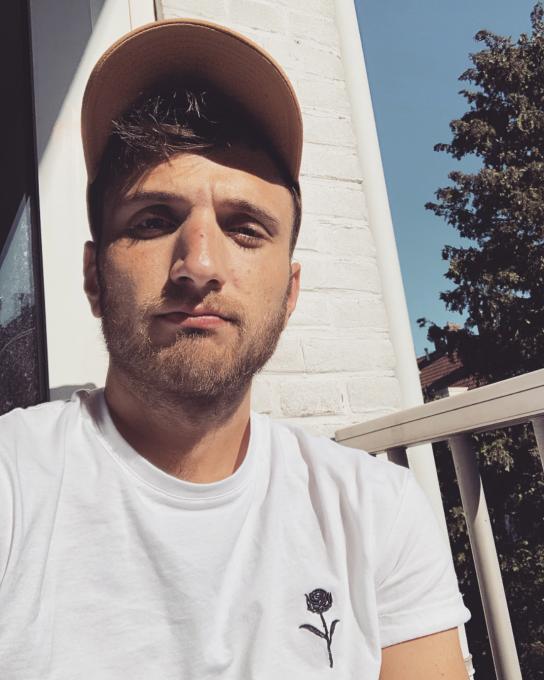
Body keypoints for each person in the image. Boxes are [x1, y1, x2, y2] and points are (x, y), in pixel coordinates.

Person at [0, 19, 471, 679]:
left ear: (290, 292)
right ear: (93, 277)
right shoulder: (14, 483)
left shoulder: (375, 513)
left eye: (245, 229)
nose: (198, 265)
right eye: (153, 221)